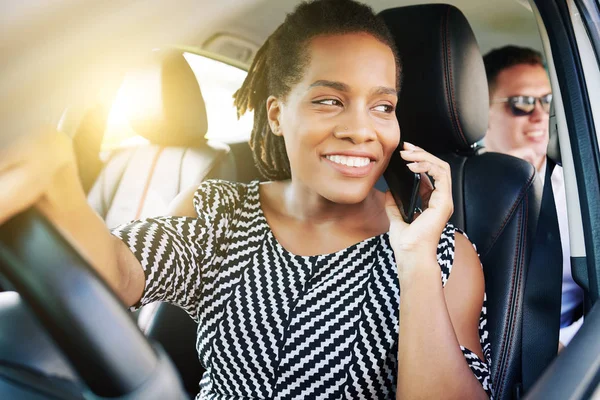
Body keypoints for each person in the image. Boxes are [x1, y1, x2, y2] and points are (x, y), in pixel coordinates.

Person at [0, 0, 493, 398]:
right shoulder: (220, 212)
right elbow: (120, 273)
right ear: (277, 114)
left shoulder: (446, 254)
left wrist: (416, 263)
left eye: (383, 106)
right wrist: (58, 175)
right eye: (329, 100)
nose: (361, 130)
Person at [483, 45, 584, 350]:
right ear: (481, 110)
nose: (540, 115)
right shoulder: (451, 191)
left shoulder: (581, 190)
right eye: (522, 103)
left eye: (547, 101)